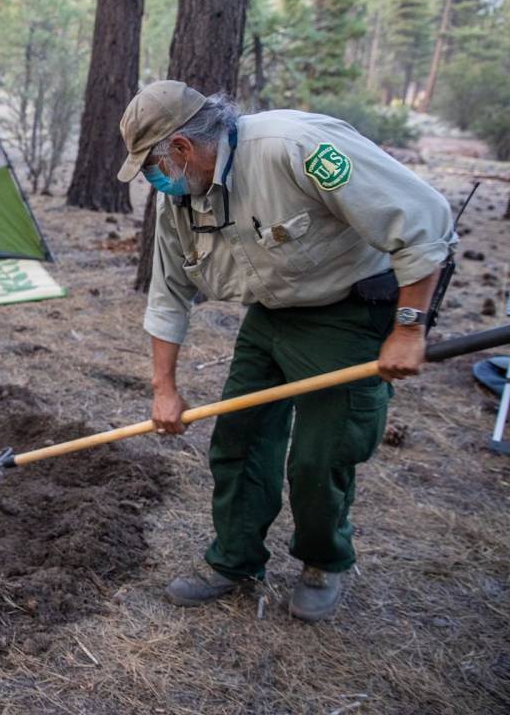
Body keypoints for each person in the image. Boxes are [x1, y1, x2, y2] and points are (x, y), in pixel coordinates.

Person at [117, 81, 455, 622]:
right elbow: (168, 295)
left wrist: (409, 327)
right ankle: (234, 560)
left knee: (320, 457)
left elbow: (423, 219)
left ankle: (323, 561)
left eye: (152, 164)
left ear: (181, 149)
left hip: (347, 312)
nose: (153, 181)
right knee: (239, 437)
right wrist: (164, 389)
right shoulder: (179, 200)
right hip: (272, 313)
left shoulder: (295, 147)